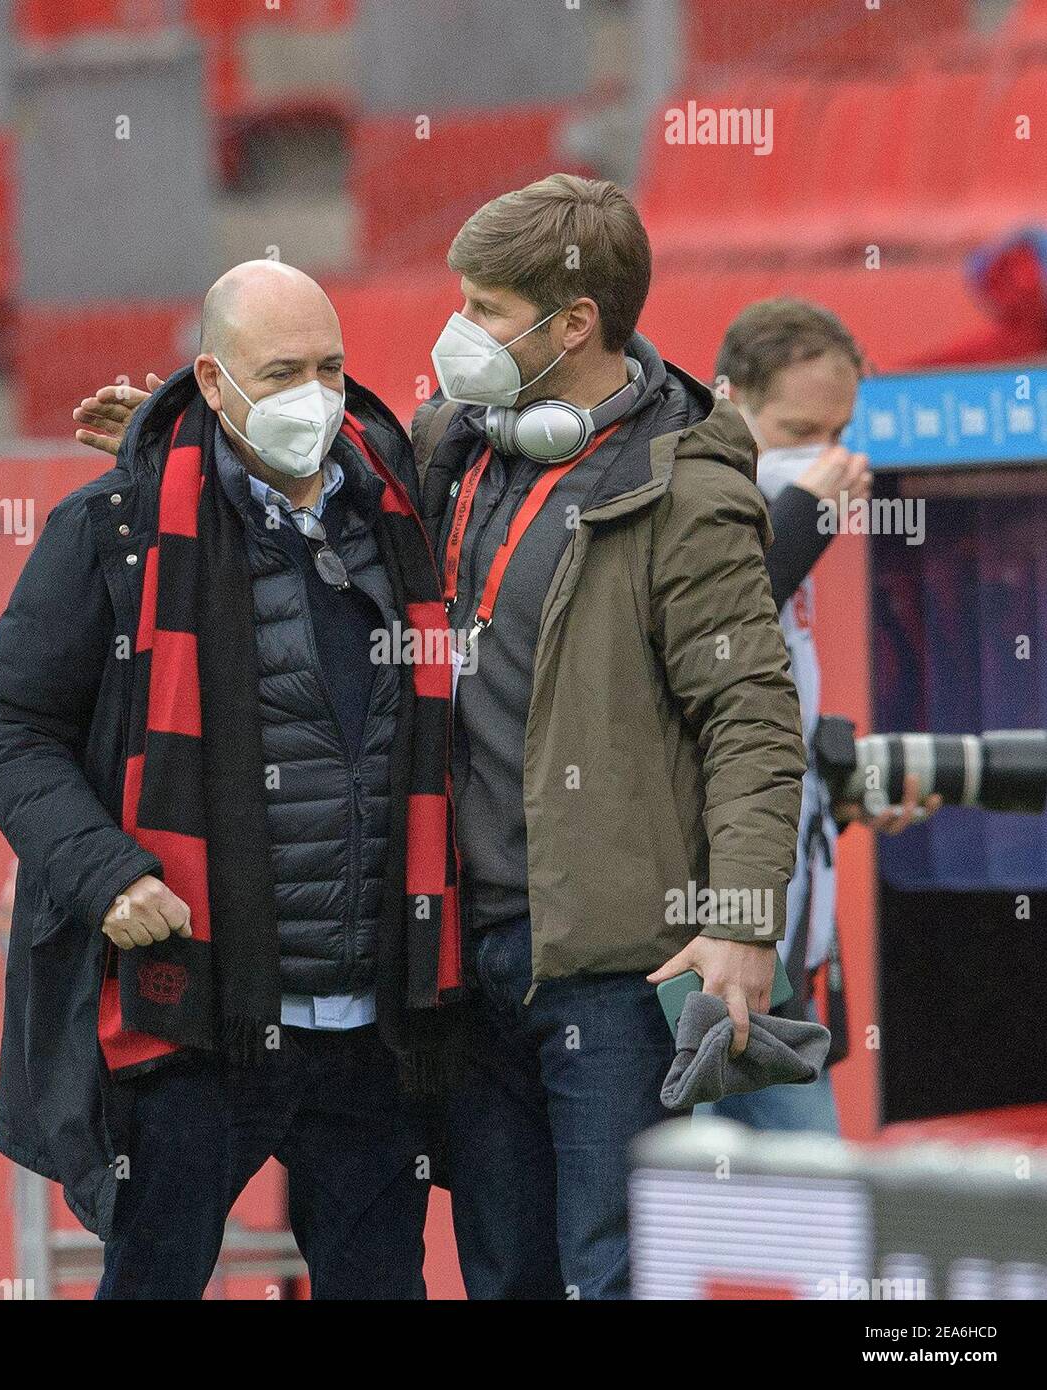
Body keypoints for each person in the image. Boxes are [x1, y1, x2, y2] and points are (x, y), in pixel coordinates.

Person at [71, 177, 808, 1301]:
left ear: (574, 327)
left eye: (488, 309)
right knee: (502, 1271)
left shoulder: (683, 489)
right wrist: (188, 441)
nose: (457, 332)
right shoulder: (449, 451)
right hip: (456, 962)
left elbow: (751, 717)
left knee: (607, 1274)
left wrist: (743, 925)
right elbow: (310, 475)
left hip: (612, 968)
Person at [0, 260, 460, 1300]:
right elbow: (6, 722)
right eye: (282, 371)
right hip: (193, 1012)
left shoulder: (403, 515)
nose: (315, 395)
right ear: (212, 379)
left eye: (331, 366)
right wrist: (107, 873)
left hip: (374, 1025)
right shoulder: (116, 530)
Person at [692, 297, 942, 1135]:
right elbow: (713, 645)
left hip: (788, 946)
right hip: (703, 943)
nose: (826, 458)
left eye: (838, 433)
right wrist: (807, 512)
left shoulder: (787, 512)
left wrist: (841, 793)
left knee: (816, 1205)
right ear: (731, 404)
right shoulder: (698, 508)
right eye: (800, 429)